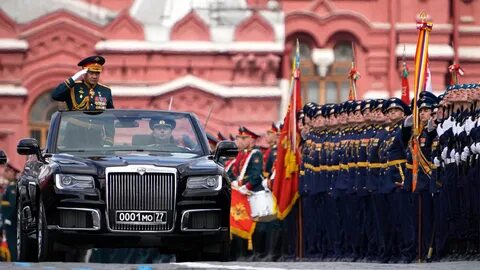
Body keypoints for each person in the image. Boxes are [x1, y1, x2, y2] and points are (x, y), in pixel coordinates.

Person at [1, 163, 20, 261]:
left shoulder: (13, 188)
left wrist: (8, 219)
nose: (4, 173)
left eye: (6, 171)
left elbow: (13, 206)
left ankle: (15, 262)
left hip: (11, 222)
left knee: (12, 243)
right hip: (8, 220)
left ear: (11, 172)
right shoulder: (8, 187)